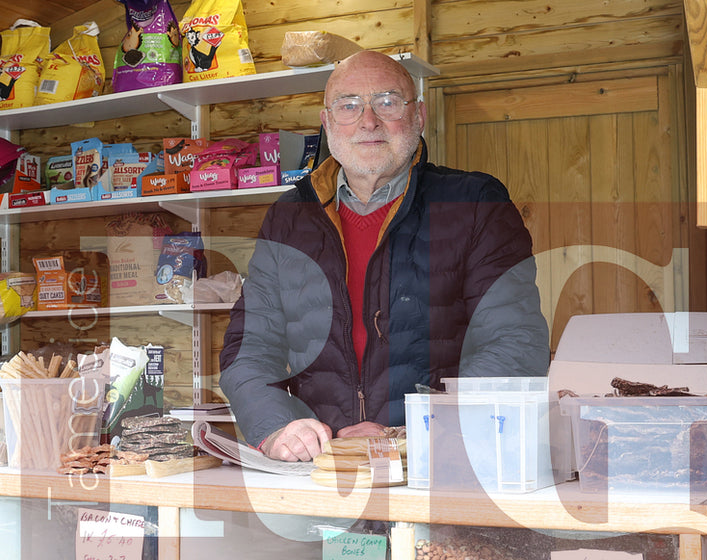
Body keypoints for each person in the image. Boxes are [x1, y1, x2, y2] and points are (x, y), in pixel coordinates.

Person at [219, 50, 550, 462]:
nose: (368, 121)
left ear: (418, 115)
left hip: (444, 461)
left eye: (387, 102)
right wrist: (277, 427)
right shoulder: (289, 218)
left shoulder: (476, 204)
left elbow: (515, 342)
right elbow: (249, 348)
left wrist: (417, 433)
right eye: (349, 106)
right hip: (325, 465)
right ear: (327, 122)